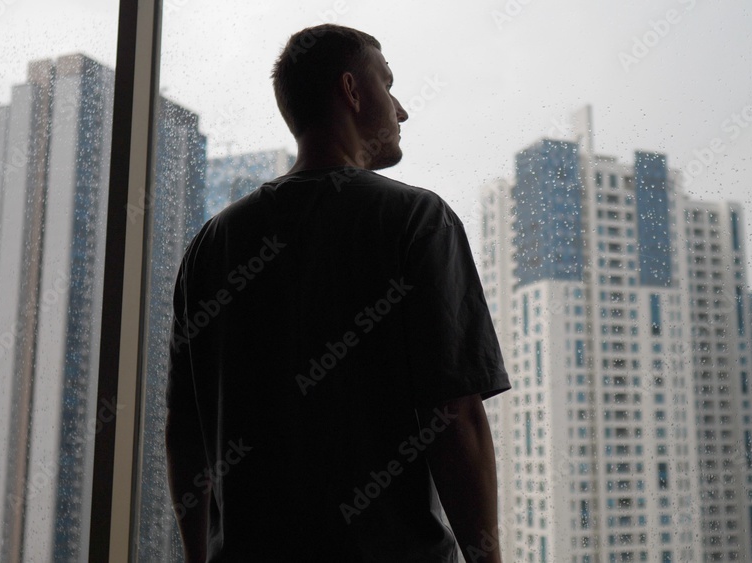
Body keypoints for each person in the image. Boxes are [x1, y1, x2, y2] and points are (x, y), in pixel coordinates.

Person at [165, 24, 510, 562]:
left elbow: (186, 437)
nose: (400, 110)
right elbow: (456, 419)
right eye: (388, 85)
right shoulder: (417, 220)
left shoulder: (211, 245)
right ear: (351, 91)